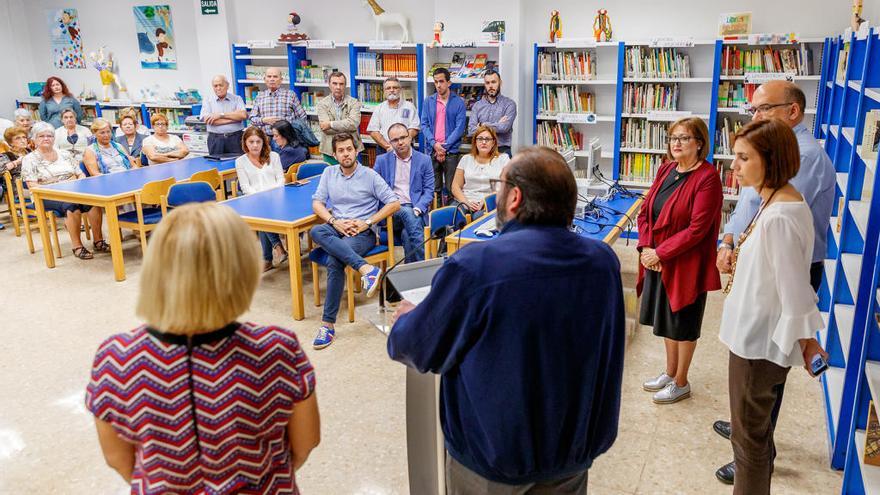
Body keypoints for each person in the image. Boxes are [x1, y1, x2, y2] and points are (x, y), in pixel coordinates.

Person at [388, 146, 625, 491]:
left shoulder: (476, 266)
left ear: (514, 197)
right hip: (572, 455)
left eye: (499, 185)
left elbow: (418, 348)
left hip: (492, 462)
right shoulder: (603, 263)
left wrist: (407, 320)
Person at [85, 202, 320, 494]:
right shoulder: (276, 348)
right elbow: (305, 443)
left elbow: (118, 459)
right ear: (242, 270)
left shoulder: (115, 357)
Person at [712, 81, 835, 485]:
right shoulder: (774, 200)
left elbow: (794, 288)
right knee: (753, 433)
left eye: (743, 158)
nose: (734, 168)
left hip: (757, 342)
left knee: (751, 443)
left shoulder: (781, 213)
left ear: (770, 161)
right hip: (754, 332)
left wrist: (807, 341)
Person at [636, 117, 723, 405]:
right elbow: (646, 211)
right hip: (657, 258)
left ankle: (682, 382)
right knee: (666, 319)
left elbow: (698, 229)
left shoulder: (708, 177)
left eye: (684, 138)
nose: (676, 143)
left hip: (686, 263)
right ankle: (670, 371)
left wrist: (661, 253)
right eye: (673, 137)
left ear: (700, 143)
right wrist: (647, 247)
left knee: (683, 322)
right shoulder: (666, 169)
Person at [309, 133, 399, 350]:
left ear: (356, 150)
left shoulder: (370, 175)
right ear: (334, 154)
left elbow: (394, 203)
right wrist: (335, 222)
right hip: (337, 227)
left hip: (363, 232)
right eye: (341, 150)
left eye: (349, 149)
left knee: (334, 260)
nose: (346, 154)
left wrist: (367, 222)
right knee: (316, 230)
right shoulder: (329, 173)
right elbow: (317, 203)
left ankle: (327, 325)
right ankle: (367, 269)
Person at [21, 122, 106, 258]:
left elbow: (80, 173)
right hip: (44, 195)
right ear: (34, 139)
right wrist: (60, 186)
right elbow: (33, 185)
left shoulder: (64, 154)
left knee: (93, 202)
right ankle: (77, 246)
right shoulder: (29, 159)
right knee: (71, 205)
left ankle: (98, 240)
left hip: (72, 191)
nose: (46, 139)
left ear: (54, 138)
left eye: (49, 135)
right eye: (41, 136)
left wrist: (78, 181)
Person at [374, 123, 434, 262]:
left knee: (408, 235)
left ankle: (412, 277)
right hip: (391, 212)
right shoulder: (382, 161)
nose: (400, 142)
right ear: (390, 142)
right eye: (395, 140)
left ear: (410, 137)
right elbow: (374, 190)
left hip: (416, 210)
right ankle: (428, 265)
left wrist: (418, 208)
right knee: (406, 211)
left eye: (403, 137)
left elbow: (429, 190)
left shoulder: (424, 160)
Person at [235, 126, 289, 271]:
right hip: (254, 200)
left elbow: (280, 179)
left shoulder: (274, 156)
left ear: (263, 142)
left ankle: (268, 258)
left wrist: (273, 194)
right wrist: (260, 198)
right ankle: (278, 248)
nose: (255, 145)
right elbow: (245, 186)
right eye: (251, 141)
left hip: (276, 198)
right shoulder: (240, 161)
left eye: (258, 141)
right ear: (245, 143)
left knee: (262, 213)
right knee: (261, 210)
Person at [420, 68, 467, 205]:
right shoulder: (428, 101)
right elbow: (424, 124)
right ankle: (437, 220)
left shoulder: (458, 102)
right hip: (432, 150)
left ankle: (451, 220)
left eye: (441, 81)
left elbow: (460, 128)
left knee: (452, 188)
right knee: (435, 188)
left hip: (451, 152)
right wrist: (435, 144)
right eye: (436, 82)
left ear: (449, 82)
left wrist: (444, 147)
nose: (438, 85)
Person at [450, 125, 509, 219]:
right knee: (453, 215)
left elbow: (507, 186)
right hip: (466, 201)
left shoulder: (503, 159)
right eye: (480, 139)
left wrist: (487, 201)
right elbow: (455, 186)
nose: (484, 142)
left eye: (487, 139)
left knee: (479, 217)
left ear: (493, 142)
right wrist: (466, 202)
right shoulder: (466, 159)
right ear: (475, 142)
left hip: (490, 202)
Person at [316, 72, 363, 164]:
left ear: (345, 85)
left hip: (351, 149)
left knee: (353, 176)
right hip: (330, 150)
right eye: (335, 83)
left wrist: (330, 124)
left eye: (341, 84)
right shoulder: (322, 104)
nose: (338, 87)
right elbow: (325, 129)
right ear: (329, 85)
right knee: (332, 177)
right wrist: (346, 126)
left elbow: (353, 124)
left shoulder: (354, 102)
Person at [468, 70, 517, 156]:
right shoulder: (477, 106)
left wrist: (482, 125)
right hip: (481, 151)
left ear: (500, 83)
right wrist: (497, 124)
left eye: (493, 82)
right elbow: (471, 131)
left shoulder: (509, 104)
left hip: (502, 150)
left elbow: (504, 128)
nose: (490, 86)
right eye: (487, 83)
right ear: (485, 85)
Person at [249, 67, 307, 138]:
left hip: (286, 138)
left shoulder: (290, 95)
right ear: (265, 79)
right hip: (266, 139)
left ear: (281, 80)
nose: (272, 79)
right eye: (269, 76)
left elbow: (302, 117)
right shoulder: (259, 96)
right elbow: (252, 119)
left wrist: (292, 132)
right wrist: (263, 120)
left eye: (275, 77)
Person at [366, 77, 420, 153]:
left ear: (400, 90)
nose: (392, 90)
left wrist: (401, 143)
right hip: (384, 149)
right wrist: (388, 146)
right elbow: (373, 131)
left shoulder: (409, 106)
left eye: (395, 87)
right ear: (384, 91)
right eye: (388, 88)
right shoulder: (379, 108)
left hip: (405, 148)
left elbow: (414, 128)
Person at [200, 75, 247, 155]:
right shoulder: (207, 100)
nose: (218, 88)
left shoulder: (237, 99)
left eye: (221, 85)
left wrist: (220, 115)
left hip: (236, 138)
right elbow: (209, 121)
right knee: (216, 164)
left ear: (227, 85)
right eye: (215, 86)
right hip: (215, 139)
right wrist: (235, 119)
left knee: (237, 163)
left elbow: (243, 116)